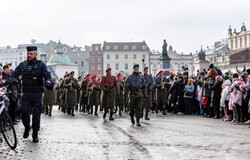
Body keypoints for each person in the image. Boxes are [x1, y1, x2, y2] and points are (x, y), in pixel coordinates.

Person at [11, 46, 53, 143]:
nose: (29, 55)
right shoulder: (22, 65)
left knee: (36, 115)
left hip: (37, 94)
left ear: (36, 54)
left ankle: (35, 135)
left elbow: (47, 75)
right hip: (26, 93)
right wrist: (14, 80)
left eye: (31, 53)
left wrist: (48, 81)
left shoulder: (41, 65)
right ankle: (27, 127)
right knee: (24, 112)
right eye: (28, 54)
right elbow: (14, 74)